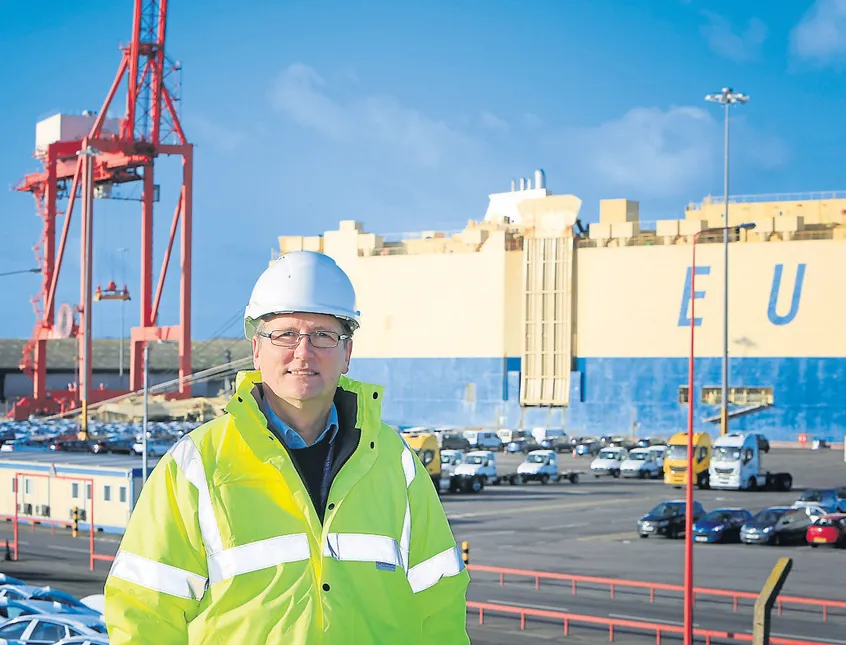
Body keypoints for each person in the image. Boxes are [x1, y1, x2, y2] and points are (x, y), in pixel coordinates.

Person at [103, 251, 470, 644]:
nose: (303, 352)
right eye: (286, 334)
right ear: (257, 349)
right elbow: (144, 613)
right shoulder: (198, 465)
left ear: (347, 353)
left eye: (323, 336)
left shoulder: (395, 462)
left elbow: (440, 606)